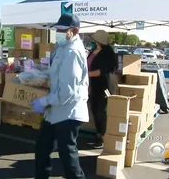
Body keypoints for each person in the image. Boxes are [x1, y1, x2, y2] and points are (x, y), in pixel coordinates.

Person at [31, 14, 89, 179]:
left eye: (63, 30)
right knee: (42, 146)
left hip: (67, 111)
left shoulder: (72, 52)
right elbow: (57, 75)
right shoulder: (62, 47)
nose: (59, 32)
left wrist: (43, 101)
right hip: (55, 110)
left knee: (68, 155)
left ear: (75, 31)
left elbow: (67, 92)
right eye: (57, 29)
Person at [88, 30, 118, 148]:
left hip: (104, 86)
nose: (92, 41)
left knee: (101, 111)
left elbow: (104, 71)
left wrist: (86, 74)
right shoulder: (93, 51)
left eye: (94, 40)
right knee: (95, 109)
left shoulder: (108, 53)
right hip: (93, 85)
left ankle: (103, 137)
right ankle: (99, 134)